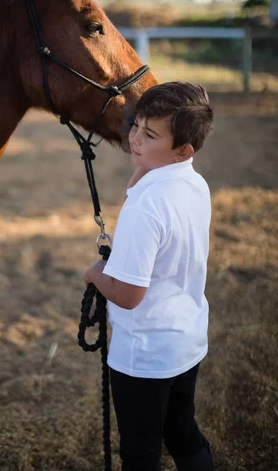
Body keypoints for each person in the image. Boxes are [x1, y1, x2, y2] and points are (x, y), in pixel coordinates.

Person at [84, 82, 214, 471]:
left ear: (182, 149)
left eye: (151, 134)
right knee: (182, 433)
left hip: (144, 355)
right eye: (136, 126)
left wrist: (95, 274)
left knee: (140, 453)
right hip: (184, 341)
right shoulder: (194, 183)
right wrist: (139, 180)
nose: (135, 139)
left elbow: (127, 294)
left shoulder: (146, 208)